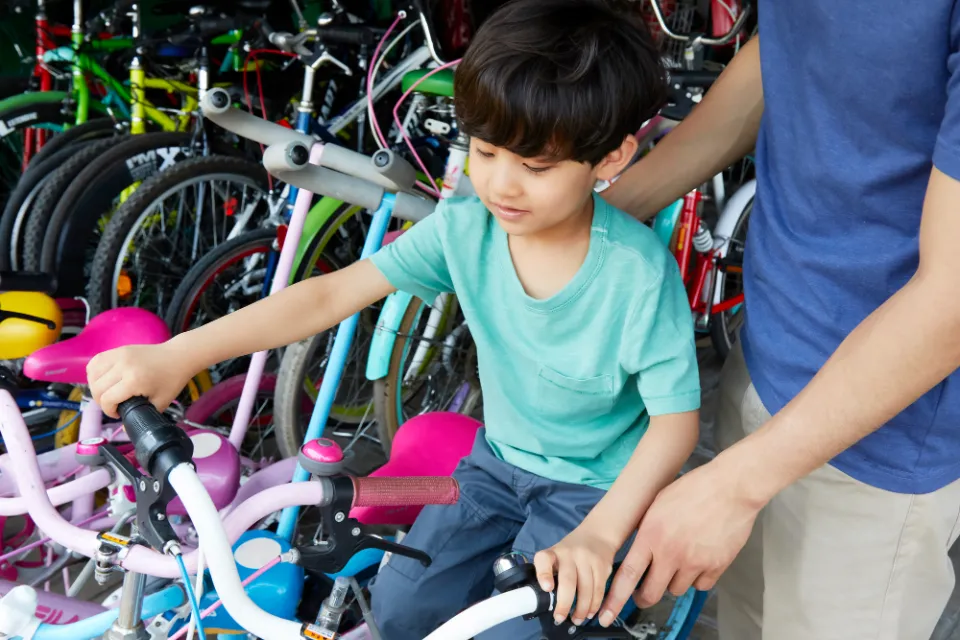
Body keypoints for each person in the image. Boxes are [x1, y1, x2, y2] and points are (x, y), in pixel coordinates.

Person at [86, 0, 701, 637]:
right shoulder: (467, 230)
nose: (501, 187)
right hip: (494, 465)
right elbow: (327, 296)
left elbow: (675, 424)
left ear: (609, 158)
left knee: (517, 630)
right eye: (486, 152)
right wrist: (180, 353)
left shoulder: (636, 274)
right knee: (404, 608)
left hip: (597, 490)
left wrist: (602, 535)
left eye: (536, 167)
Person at [592, 2, 960, 639]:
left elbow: (950, 301)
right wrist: (590, 224)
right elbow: (787, 51)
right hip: (763, 353)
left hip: (879, 438)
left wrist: (734, 486)